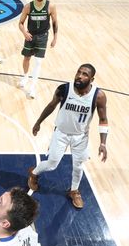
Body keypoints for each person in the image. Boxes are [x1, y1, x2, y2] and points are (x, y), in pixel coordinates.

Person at [27, 64, 108, 209]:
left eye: (84, 74)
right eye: (79, 72)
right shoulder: (64, 89)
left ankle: (74, 191)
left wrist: (103, 143)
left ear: (91, 79)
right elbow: (51, 106)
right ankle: (34, 173)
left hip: (81, 137)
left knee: (78, 166)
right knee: (52, 164)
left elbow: (103, 119)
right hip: (61, 133)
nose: (79, 76)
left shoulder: (99, 96)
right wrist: (38, 122)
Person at [17, 0, 58, 99]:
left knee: (38, 62)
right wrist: (24, 32)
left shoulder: (51, 6)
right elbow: (20, 23)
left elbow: (55, 22)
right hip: (30, 35)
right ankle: (25, 77)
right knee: (26, 58)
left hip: (43, 36)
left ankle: (32, 88)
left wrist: (55, 38)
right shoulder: (28, 6)